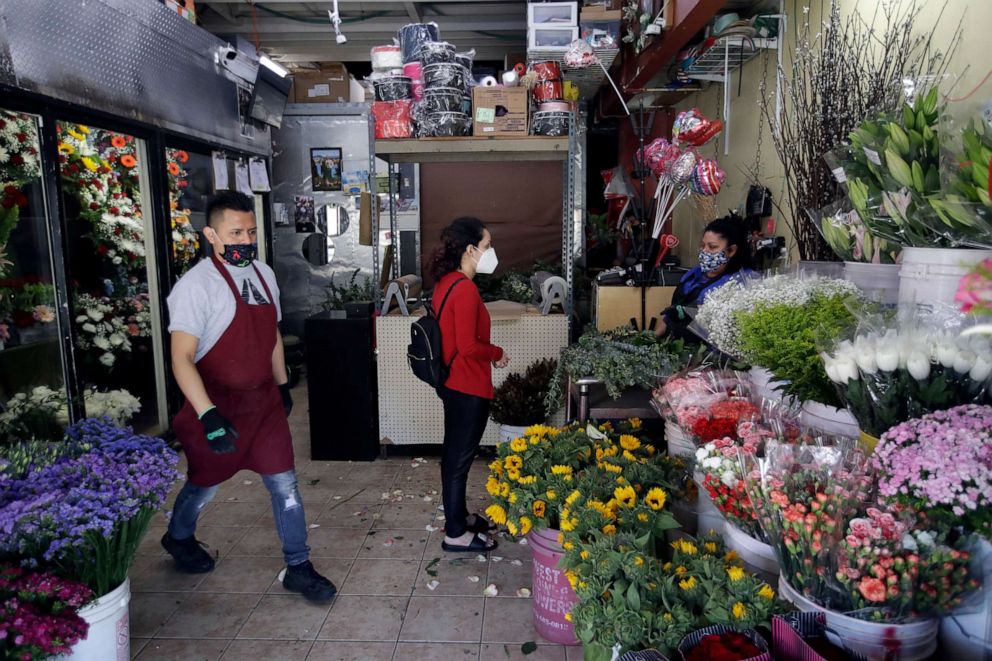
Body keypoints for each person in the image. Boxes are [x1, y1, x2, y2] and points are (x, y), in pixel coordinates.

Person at [162, 191, 336, 603]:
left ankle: (298, 566)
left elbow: (271, 334)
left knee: (286, 486)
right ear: (211, 234)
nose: (245, 240)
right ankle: (178, 537)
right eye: (235, 232)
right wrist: (207, 415)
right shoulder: (195, 286)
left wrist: (280, 384)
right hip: (217, 406)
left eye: (251, 232)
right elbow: (181, 358)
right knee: (204, 485)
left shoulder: (263, 274)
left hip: (263, 406)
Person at [430, 217, 508, 553]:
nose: (491, 252)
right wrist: (497, 353)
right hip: (468, 386)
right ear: (471, 249)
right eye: (488, 246)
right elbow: (468, 346)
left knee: (453, 457)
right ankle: (455, 534)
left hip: (452, 383)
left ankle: (459, 518)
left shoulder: (445, 283)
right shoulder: (463, 289)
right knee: (459, 461)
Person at [657, 215, 754, 341]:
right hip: (675, 347)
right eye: (703, 245)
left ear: (731, 250)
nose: (705, 251)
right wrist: (651, 338)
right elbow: (670, 315)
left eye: (712, 247)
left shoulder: (739, 283)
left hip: (706, 353)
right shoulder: (693, 274)